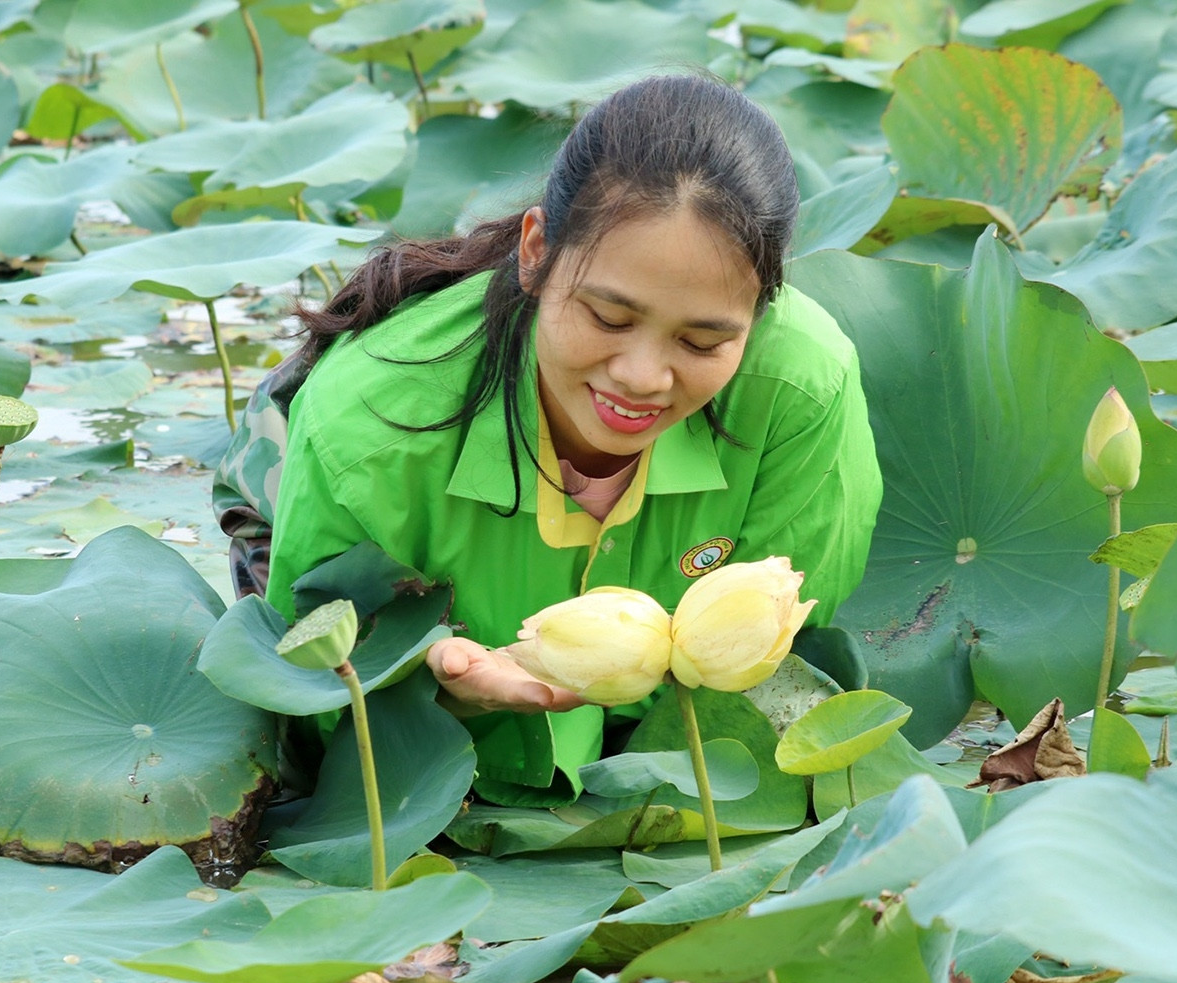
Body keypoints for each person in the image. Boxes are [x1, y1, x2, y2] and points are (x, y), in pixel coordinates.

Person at [213, 74, 882, 806]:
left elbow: (780, 646)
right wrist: (438, 684)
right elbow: (317, 694)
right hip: (290, 479)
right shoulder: (366, 422)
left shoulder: (804, 387)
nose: (642, 379)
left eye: (701, 341)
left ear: (760, 313)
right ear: (536, 250)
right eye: (608, 318)